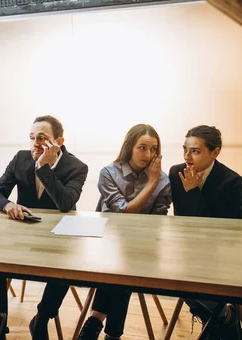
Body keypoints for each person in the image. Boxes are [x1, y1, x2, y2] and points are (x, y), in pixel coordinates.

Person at [0, 115, 88, 340]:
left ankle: (41, 318)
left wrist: (44, 167)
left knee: (65, 268)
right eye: (32, 138)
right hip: (24, 235)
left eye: (42, 138)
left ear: (58, 142)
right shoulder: (21, 159)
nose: (35, 144)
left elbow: (65, 204)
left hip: (58, 239)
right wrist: (8, 204)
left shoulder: (77, 167)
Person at [77, 124, 171, 340]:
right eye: (142, 147)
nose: (148, 155)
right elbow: (123, 212)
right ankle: (113, 334)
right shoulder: (109, 173)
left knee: (124, 266)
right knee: (121, 268)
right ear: (130, 147)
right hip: (108, 243)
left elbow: (158, 223)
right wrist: (151, 183)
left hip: (142, 247)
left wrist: (156, 180)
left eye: (154, 149)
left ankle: (95, 319)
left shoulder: (163, 179)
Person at [169, 125, 242, 339]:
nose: (187, 156)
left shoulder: (231, 181)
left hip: (221, 252)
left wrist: (193, 192)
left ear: (215, 152)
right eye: (185, 149)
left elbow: (218, 230)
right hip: (188, 248)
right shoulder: (177, 172)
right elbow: (182, 219)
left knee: (188, 279)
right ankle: (225, 316)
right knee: (169, 274)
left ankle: (217, 319)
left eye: (195, 151)